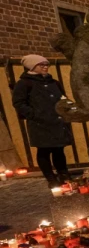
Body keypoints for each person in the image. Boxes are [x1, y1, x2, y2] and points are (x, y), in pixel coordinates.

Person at [11, 55, 73, 186]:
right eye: (41, 65)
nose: (45, 67)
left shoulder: (54, 82)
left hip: (57, 122)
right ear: (32, 66)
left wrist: (67, 108)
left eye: (46, 64)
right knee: (44, 151)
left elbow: (63, 98)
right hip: (40, 123)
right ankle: (51, 179)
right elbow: (19, 103)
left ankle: (64, 174)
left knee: (59, 150)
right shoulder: (24, 83)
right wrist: (34, 115)